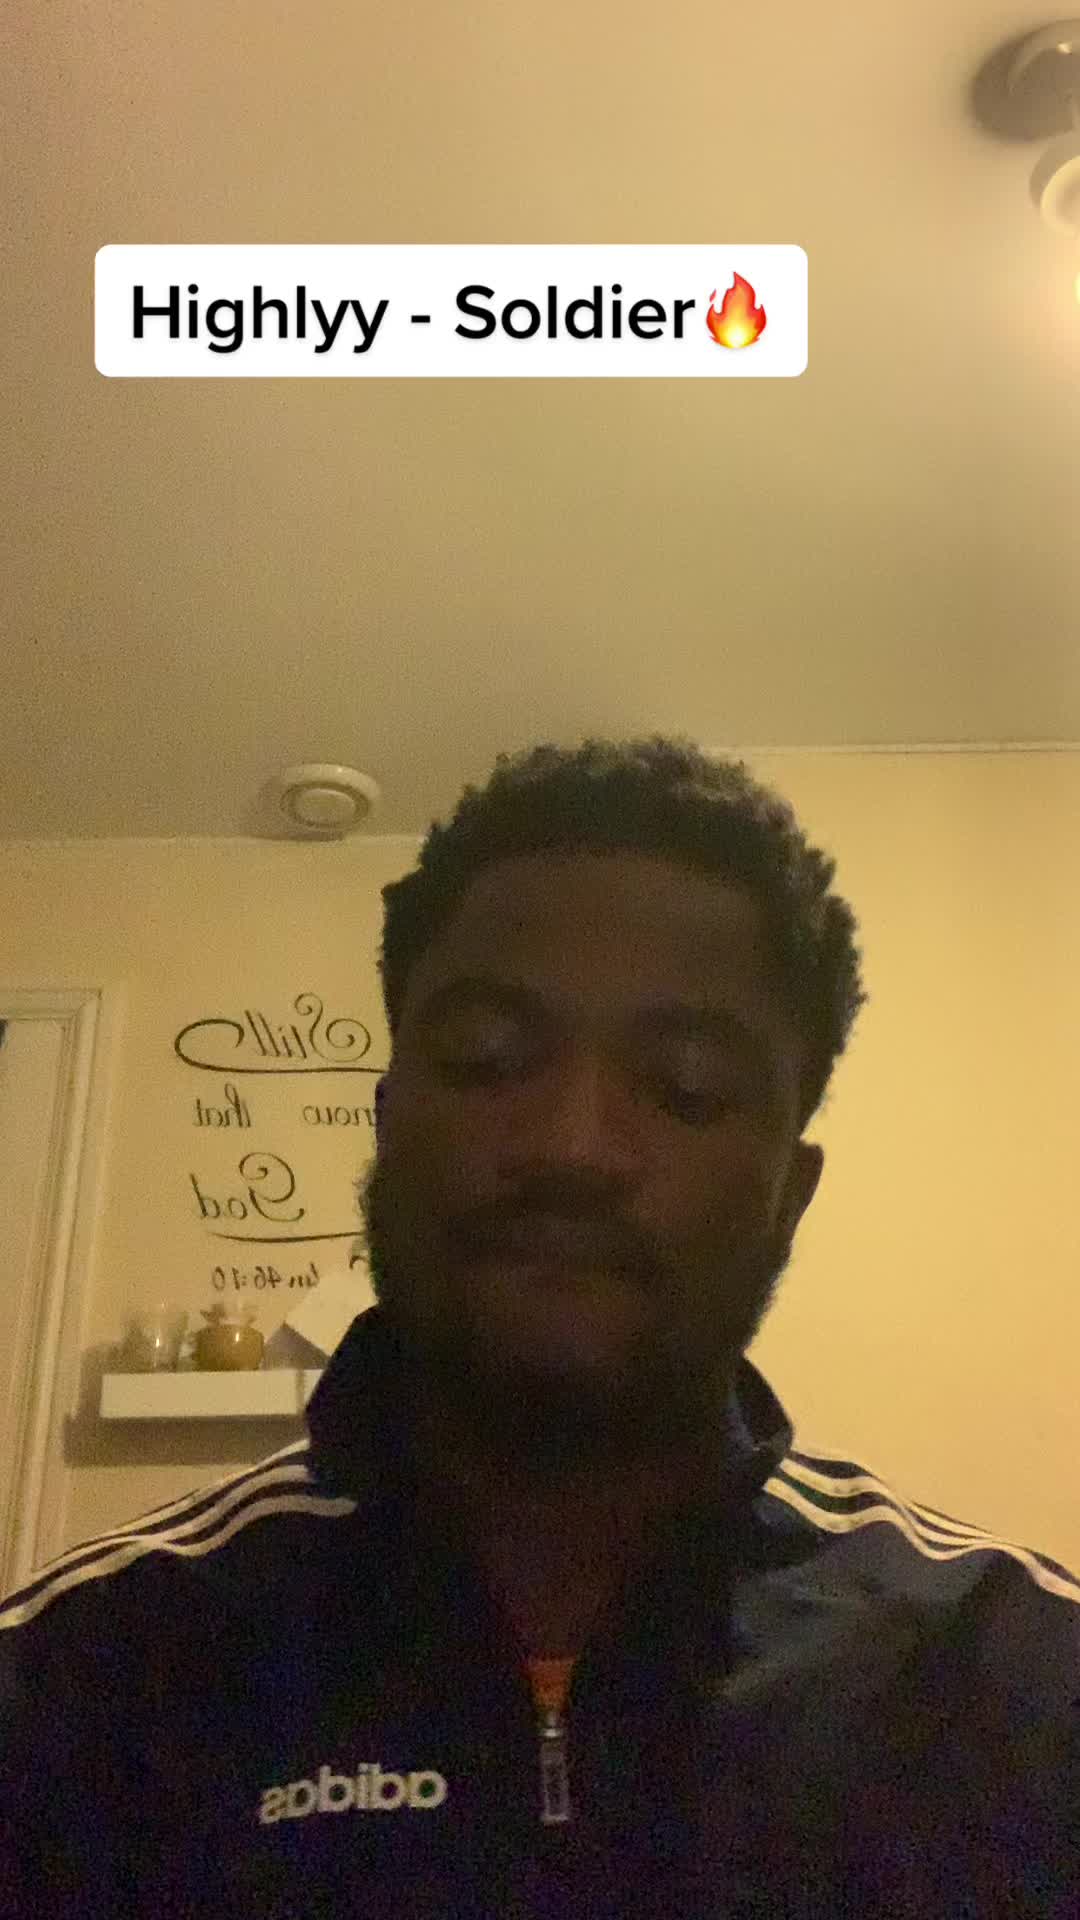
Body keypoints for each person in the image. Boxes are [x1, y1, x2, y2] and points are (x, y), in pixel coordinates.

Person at [1, 733, 1077, 1918]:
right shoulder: (74, 1684)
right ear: (389, 1122)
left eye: (685, 1088)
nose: (572, 1144)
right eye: (487, 1060)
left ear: (791, 1189)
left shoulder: (1021, 1685)